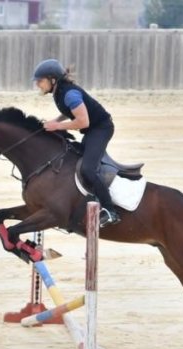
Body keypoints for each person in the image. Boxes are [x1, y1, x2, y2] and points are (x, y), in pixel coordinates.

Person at [32, 58, 120, 227]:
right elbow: (68, 112)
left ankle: (110, 211)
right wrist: (54, 121)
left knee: (87, 169)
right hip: (92, 130)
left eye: (40, 81)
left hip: (101, 129)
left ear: (52, 79)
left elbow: (83, 122)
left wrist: (57, 126)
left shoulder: (69, 94)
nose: (37, 84)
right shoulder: (59, 92)